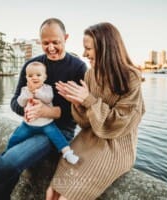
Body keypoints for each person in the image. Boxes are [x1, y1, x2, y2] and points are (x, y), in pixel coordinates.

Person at [0, 18, 87, 200]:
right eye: (46, 43)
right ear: (40, 41)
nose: (51, 47)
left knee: (11, 161)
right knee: (8, 163)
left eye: (56, 42)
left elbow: (80, 112)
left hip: (58, 131)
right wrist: (28, 109)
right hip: (31, 125)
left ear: (66, 38)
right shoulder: (32, 66)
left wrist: (48, 112)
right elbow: (14, 103)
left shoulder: (78, 67)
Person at [46, 22, 145, 200]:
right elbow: (85, 123)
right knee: (52, 192)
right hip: (88, 140)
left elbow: (122, 122)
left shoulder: (131, 77)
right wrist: (77, 103)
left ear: (105, 48)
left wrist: (89, 101)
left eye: (88, 48)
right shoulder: (90, 75)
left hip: (116, 147)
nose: (84, 54)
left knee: (66, 198)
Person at [7, 61, 79, 164]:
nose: (34, 78)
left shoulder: (47, 88)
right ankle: (7, 152)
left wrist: (36, 92)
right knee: (15, 137)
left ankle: (68, 153)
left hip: (46, 123)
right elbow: (20, 103)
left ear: (44, 77)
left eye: (38, 75)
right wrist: (27, 94)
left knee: (57, 137)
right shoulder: (25, 89)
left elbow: (48, 99)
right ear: (26, 78)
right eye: (30, 76)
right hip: (28, 124)